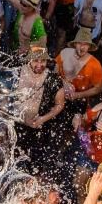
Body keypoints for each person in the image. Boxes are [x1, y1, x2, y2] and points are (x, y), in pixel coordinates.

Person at [16, 47, 71, 188]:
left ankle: (32, 190)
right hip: (17, 126)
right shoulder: (17, 73)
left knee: (36, 164)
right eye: (35, 61)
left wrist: (42, 119)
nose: (39, 65)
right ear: (29, 60)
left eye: (43, 61)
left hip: (40, 128)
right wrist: (20, 117)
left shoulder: (53, 80)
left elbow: (60, 104)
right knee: (16, 161)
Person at [56, 28, 102, 116]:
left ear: (89, 46)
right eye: (80, 43)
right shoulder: (64, 53)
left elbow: (98, 88)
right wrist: (63, 83)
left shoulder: (95, 64)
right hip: (59, 92)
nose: (82, 47)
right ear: (74, 44)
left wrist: (78, 95)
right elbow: (53, 72)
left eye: (86, 44)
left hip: (79, 101)